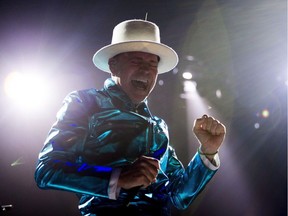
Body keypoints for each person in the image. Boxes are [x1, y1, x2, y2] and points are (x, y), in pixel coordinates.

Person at [34, 19, 226, 216]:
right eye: (136, 61)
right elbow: (47, 170)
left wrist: (207, 153)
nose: (145, 70)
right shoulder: (85, 103)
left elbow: (178, 195)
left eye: (152, 64)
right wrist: (118, 178)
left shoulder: (159, 127)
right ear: (113, 66)